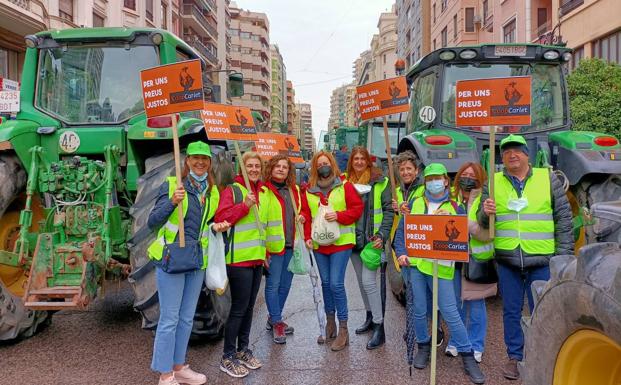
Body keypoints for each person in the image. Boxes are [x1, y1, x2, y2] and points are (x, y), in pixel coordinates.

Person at [478, 134, 573, 380]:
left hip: (541, 259)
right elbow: (482, 220)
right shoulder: (493, 182)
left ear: (526, 154)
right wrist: (484, 213)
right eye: (506, 151)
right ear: (502, 157)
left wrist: (563, 257)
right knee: (511, 311)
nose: (512, 155)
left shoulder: (547, 178)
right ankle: (515, 357)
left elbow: (563, 219)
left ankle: (542, 356)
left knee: (542, 311)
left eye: (517, 150)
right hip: (508, 259)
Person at [147, 141, 230, 385]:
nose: (200, 163)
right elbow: (152, 221)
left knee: (185, 318)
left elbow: (207, 224)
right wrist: (172, 201)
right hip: (171, 260)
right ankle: (165, 375)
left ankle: (179, 366)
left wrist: (217, 226)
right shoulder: (174, 185)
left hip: (196, 261)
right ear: (187, 162)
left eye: (204, 159)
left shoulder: (212, 193)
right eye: (195, 158)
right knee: (169, 319)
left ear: (210, 163)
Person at [394, 163, 485, 385]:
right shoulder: (415, 203)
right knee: (419, 309)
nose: (434, 182)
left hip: (442, 268)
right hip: (416, 266)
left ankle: (467, 355)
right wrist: (402, 253)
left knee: (450, 311)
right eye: (429, 178)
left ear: (445, 180)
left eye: (438, 178)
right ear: (425, 182)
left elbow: (463, 240)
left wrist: (446, 221)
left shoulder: (455, 206)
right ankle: (423, 346)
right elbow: (402, 233)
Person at [300, 150, 363, 351]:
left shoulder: (345, 186)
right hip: (320, 245)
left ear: (333, 164)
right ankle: (330, 322)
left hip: (341, 243)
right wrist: (307, 236)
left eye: (326, 163)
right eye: (319, 164)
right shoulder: (309, 190)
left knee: (336, 283)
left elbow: (356, 209)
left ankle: (343, 328)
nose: (322, 167)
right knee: (326, 283)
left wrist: (339, 215)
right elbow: (305, 214)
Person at [215, 151, 267, 378]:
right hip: (238, 260)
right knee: (238, 308)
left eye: (257, 166)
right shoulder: (233, 190)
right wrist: (244, 206)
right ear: (242, 169)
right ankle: (227, 357)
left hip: (256, 259)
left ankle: (243, 349)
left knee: (248, 308)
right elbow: (220, 219)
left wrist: (266, 253)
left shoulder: (261, 192)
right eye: (250, 166)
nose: (254, 169)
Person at [344, 146, 394, 349]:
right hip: (354, 241)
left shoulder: (381, 182)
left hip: (374, 242)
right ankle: (370, 317)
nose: (358, 162)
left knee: (369, 283)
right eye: (355, 158)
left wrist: (382, 236)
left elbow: (389, 211)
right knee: (362, 283)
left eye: (361, 158)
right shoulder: (346, 182)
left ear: (368, 161)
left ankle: (379, 327)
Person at [445, 162, 495, 363]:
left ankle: (476, 344)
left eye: (472, 175)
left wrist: (462, 224)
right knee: (455, 303)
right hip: (454, 259)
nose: (467, 178)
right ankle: (457, 341)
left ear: (480, 178)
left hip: (476, 260)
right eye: (464, 174)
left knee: (475, 304)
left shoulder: (484, 199)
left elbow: (486, 233)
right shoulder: (451, 197)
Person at [260, 154, 301, 344]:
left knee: (285, 285)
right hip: (273, 248)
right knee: (273, 286)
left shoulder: (294, 190)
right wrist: (263, 251)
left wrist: (302, 219)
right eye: (277, 166)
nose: (281, 169)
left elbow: (301, 213)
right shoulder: (264, 191)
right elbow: (260, 223)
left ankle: (274, 317)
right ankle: (277, 322)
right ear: (271, 168)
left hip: (291, 246)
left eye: (285, 167)